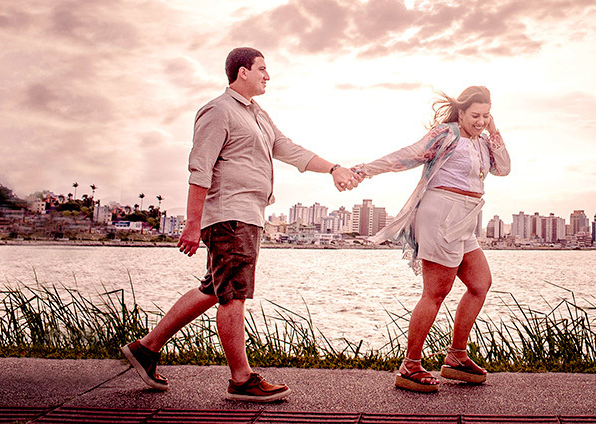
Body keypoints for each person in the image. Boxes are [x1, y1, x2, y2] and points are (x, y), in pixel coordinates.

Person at [120, 47, 360, 402]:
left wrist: (334, 168)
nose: (268, 76)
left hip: (247, 215)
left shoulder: (258, 115)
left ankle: (145, 349)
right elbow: (200, 167)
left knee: (213, 289)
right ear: (242, 72)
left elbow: (289, 149)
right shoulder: (218, 111)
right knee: (232, 295)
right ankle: (241, 379)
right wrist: (192, 223)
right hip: (230, 215)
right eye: (262, 69)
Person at [350, 85, 510, 393]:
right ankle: (410, 365)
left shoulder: (483, 141)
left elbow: (503, 168)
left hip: (465, 218)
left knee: (480, 284)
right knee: (436, 292)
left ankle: (457, 356)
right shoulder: (446, 134)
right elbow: (406, 156)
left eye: (486, 115)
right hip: (440, 214)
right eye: (475, 115)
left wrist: (494, 130)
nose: (480, 121)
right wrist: (365, 170)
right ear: (460, 112)